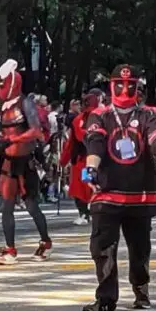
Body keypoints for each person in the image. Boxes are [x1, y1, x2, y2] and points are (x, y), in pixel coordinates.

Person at [79, 65, 156, 311]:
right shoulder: (99, 115)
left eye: (130, 84)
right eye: (119, 83)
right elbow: (95, 145)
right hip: (107, 190)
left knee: (140, 247)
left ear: (137, 86)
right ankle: (106, 300)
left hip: (140, 192)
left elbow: (155, 136)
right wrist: (90, 170)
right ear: (111, 85)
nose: (125, 88)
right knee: (102, 247)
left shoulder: (149, 114)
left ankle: (141, 289)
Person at [0, 60, 52, 265]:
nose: (0, 87)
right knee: (6, 205)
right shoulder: (4, 106)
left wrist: (12, 140)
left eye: (3, 82)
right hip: (8, 160)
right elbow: (8, 132)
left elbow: (35, 130)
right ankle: (10, 249)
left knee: (32, 205)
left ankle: (45, 242)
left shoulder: (25, 103)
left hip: (26, 161)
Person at [61, 90, 102, 226]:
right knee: (94, 187)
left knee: (81, 188)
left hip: (82, 160)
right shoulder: (105, 117)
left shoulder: (78, 120)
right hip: (98, 159)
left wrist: (63, 161)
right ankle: (93, 213)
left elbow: (71, 143)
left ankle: (84, 213)